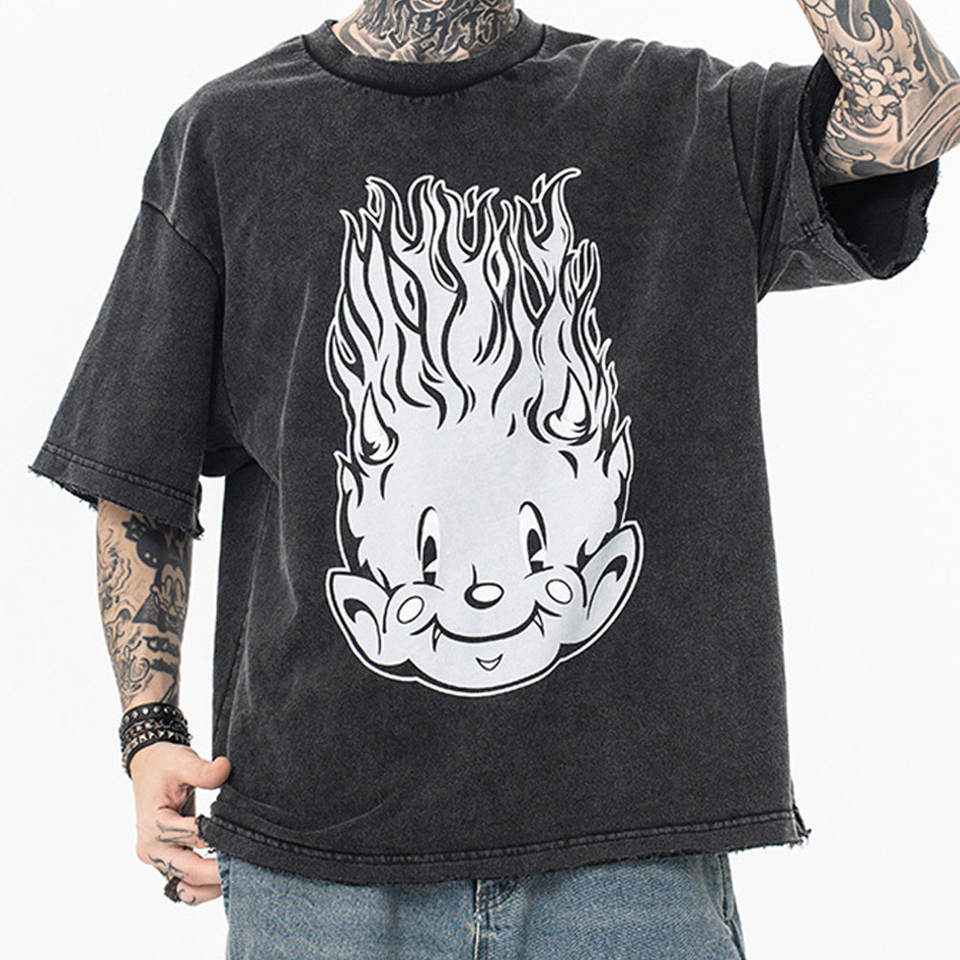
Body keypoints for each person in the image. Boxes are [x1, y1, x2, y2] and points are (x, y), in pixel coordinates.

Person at [28, 1, 954, 957]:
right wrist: (149, 727)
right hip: (322, 863)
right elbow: (140, 468)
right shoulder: (229, 135)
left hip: (628, 861)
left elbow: (913, 113)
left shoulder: (678, 112)